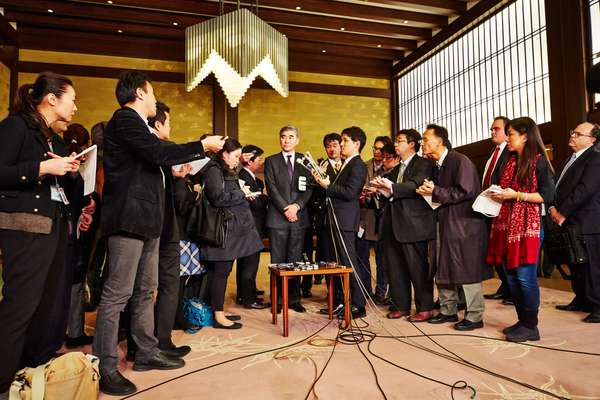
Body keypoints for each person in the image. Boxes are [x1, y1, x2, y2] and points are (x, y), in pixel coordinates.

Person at [93, 71, 225, 396]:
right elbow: (158, 153)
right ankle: (106, 366)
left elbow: (156, 161)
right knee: (116, 295)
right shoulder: (125, 120)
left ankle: (147, 352)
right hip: (128, 220)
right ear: (139, 93)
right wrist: (201, 146)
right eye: (152, 94)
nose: (155, 101)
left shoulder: (139, 127)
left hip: (149, 222)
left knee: (144, 291)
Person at [0, 72, 80, 395]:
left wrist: (69, 170)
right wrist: (43, 169)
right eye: (72, 100)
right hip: (25, 228)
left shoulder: (50, 136)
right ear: (51, 98)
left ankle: (29, 373)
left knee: (46, 306)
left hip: (51, 227)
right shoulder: (17, 126)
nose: (75, 108)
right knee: (20, 306)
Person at [487, 117, 555, 341]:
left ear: (525, 136)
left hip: (528, 226)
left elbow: (547, 195)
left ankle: (531, 325)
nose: (508, 138)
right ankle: (522, 319)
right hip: (506, 224)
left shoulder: (539, 161)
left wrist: (516, 195)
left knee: (525, 276)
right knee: (510, 275)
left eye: (512, 134)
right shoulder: (510, 160)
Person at [417, 124, 489, 331]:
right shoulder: (436, 164)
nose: (423, 143)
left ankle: (475, 315)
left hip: (463, 224)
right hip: (443, 222)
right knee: (442, 266)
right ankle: (448, 310)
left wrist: (435, 191)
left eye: (425, 138)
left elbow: (466, 190)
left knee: (467, 269)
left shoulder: (459, 160)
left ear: (440, 141)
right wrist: (428, 192)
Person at [371, 129, 436, 321]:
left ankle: (425, 307)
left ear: (412, 144)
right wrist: (380, 188)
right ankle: (401, 305)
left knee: (418, 268)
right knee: (395, 267)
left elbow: (414, 185)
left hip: (414, 225)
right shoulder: (397, 168)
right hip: (393, 224)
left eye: (400, 141)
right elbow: (392, 193)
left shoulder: (423, 164)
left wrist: (389, 186)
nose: (396, 144)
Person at [200, 138, 264, 327]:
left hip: (230, 229)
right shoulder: (213, 169)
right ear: (224, 154)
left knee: (220, 272)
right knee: (221, 271)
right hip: (222, 230)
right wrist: (241, 193)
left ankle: (216, 310)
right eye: (235, 156)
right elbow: (217, 198)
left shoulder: (224, 169)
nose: (238, 160)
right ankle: (218, 316)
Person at [313, 126, 369, 319]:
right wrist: (323, 182)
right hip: (333, 220)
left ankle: (358, 304)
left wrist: (328, 185)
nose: (341, 144)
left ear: (356, 144)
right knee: (334, 263)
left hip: (344, 221)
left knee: (347, 262)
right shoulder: (346, 163)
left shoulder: (358, 165)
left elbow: (350, 193)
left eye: (345, 140)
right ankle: (340, 301)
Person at [550, 122, 600, 323]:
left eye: (578, 133)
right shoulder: (569, 160)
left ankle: (598, 306)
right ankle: (581, 299)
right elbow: (556, 187)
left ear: (592, 139)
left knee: (591, 266)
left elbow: (585, 189)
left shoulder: (595, 158)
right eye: (572, 131)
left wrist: (562, 211)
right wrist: (553, 208)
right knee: (575, 262)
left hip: (588, 220)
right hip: (569, 221)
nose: (572, 135)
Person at [264, 125, 313, 313]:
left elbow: (309, 188)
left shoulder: (304, 161)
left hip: (298, 217)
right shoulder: (271, 161)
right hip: (278, 217)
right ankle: (277, 300)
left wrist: (296, 206)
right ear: (280, 139)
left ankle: (294, 299)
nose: (287, 140)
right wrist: (286, 208)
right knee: (277, 261)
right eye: (283, 137)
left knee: (295, 261)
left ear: (297, 140)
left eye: (291, 137)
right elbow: (272, 188)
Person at [481, 117, 513, 304]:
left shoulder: (510, 153)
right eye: (491, 129)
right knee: (495, 251)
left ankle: (511, 289)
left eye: (496, 129)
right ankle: (505, 285)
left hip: (504, 208)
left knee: (505, 251)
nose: (492, 132)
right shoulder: (492, 152)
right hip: (488, 207)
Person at [358, 136, 392, 303]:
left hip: (382, 218)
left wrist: (377, 192)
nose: (377, 152)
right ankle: (365, 290)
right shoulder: (364, 165)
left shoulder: (391, 167)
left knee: (382, 259)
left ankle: (381, 292)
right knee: (363, 256)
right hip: (365, 216)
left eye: (380, 149)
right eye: (375, 148)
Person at [236, 144, 269, 309]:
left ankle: (245, 294)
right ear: (250, 161)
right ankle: (248, 299)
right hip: (250, 226)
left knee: (246, 263)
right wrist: (265, 198)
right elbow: (256, 204)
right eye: (259, 159)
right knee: (249, 263)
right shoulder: (243, 177)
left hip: (251, 226)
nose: (261, 162)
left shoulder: (250, 177)